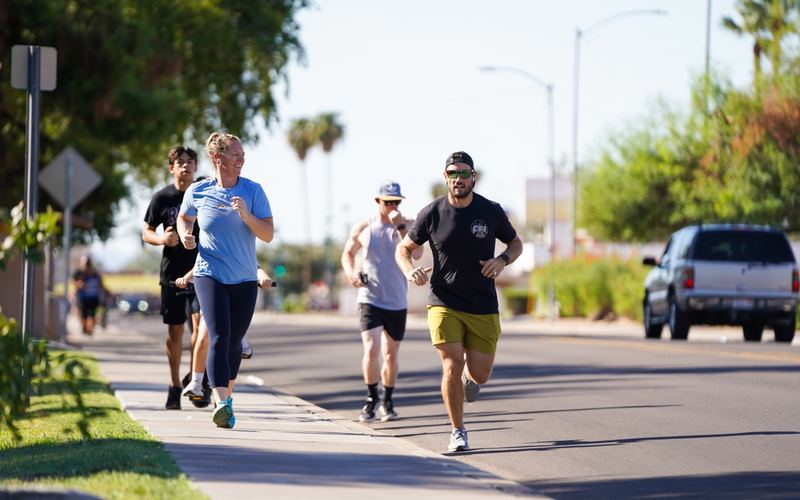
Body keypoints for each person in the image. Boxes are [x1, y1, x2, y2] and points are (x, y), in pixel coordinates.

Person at [395, 151, 523, 453]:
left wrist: (502, 260)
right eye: (453, 173)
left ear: (473, 177)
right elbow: (404, 249)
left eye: (464, 173)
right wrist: (410, 270)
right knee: (451, 364)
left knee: (480, 374)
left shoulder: (490, 211)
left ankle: (471, 378)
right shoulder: (432, 213)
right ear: (445, 177)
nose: (459, 179)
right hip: (444, 301)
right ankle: (458, 431)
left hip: (482, 303)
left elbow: (515, 243)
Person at [177, 132, 274, 429]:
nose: (242, 159)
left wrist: (247, 215)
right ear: (218, 158)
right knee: (218, 336)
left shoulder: (253, 191)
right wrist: (186, 236)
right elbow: (184, 218)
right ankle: (219, 401)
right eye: (236, 155)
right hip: (209, 274)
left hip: (244, 278)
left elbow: (268, 234)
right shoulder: (198, 191)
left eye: (243, 155)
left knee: (234, 342)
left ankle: (227, 401)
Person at [341, 181, 423, 423]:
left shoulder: (407, 227)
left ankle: (387, 399)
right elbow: (347, 253)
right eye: (388, 202)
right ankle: (371, 398)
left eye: (396, 202)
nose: (392, 206)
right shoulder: (365, 227)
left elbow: (416, 254)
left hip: (397, 299)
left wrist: (400, 226)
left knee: (390, 354)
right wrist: (352, 273)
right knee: (372, 348)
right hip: (370, 297)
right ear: (378, 202)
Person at [142, 146, 204, 410]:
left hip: (201, 272)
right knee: (175, 331)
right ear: (171, 167)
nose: (186, 166)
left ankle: (196, 379)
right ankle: (175, 385)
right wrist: (162, 239)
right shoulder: (161, 198)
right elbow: (146, 231)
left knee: (201, 326)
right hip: (171, 273)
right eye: (180, 162)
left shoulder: (202, 195)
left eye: (190, 162)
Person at [178, 266, 273, 401]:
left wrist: (264, 277)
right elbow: (199, 263)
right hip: (211, 292)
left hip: (236, 295)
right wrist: (185, 278)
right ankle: (197, 381)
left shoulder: (239, 251)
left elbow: (254, 265)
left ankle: (225, 398)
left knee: (232, 339)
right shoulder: (208, 248)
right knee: (205, 338)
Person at [71, 255, 108, 335]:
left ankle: (90, 330)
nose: (86, 266)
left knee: (92, 315)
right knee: (83, 315)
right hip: (82, 298)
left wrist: (106, 292)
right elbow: (73, 282)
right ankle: (84, 328)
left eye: (88, 264)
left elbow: (101, 284)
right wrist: (79, 284)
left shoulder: (95, 273)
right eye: (85, 264)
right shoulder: (79, 273)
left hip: (94, 297)